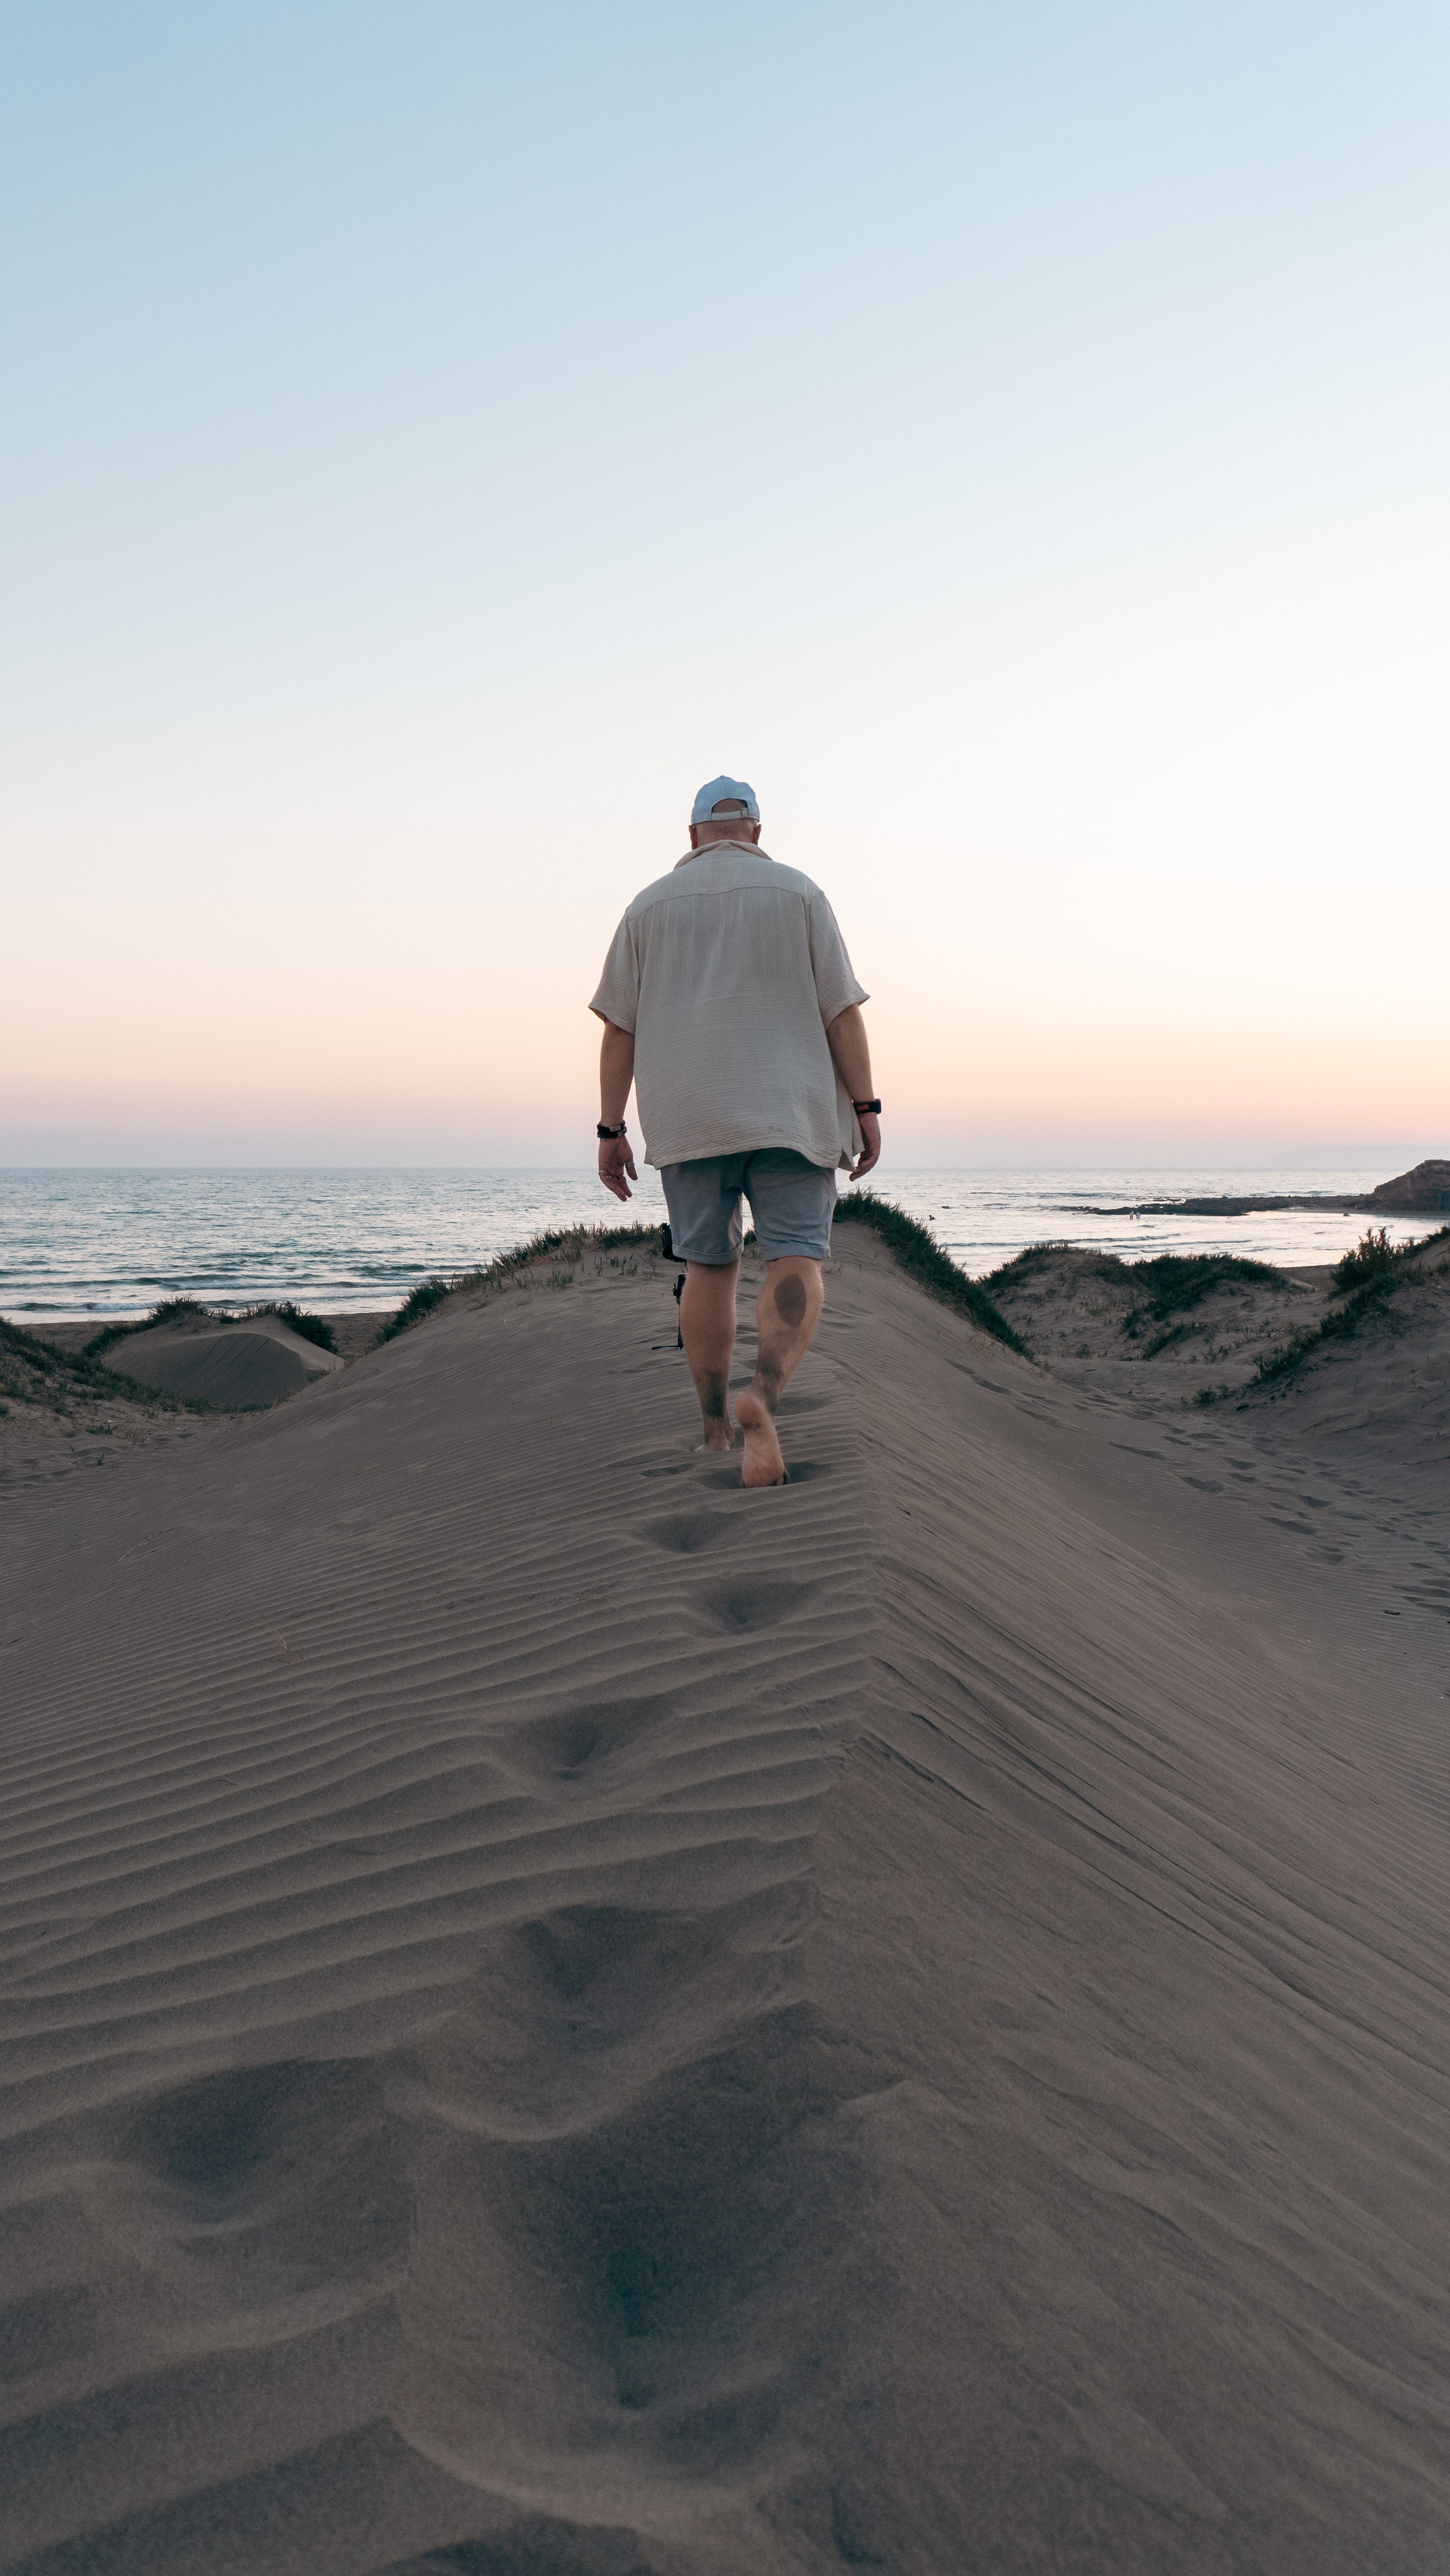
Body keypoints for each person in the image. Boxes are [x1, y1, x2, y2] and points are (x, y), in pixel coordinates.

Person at [591, 775, 880, 1486]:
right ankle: (767, 1396)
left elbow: (618, 1030)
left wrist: (609, 1127)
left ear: (691, 836)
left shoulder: (645, 907)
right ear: (756, 831)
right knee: (795, 1258)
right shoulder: (799, 892)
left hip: (687, 1112)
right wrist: (868, 1109)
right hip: (789, 1108)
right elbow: (841, 1010)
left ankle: (715, 1430)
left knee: (707, 1268)